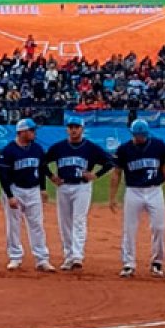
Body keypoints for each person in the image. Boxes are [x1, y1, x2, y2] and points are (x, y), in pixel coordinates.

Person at [45, 116, 114, 270]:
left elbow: (110, 162)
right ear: (67, 129)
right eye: (71, 127)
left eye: (77, 127)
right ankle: (68, 256)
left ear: (82, 129)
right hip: (63, 187)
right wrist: (51, 176)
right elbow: (42, 163)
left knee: (78, 220)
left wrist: (96, 175)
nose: (74, 130)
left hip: (82, 187)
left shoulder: (90, 147)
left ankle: (77, 255)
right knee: (65, 223)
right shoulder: (58, 147)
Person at [109, 119, 165, 278]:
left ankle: (157, 262)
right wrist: (112, 197)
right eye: (138, 135)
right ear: (132, 134)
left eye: (143, 135)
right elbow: (116, 173)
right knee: (129, 229)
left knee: (159, 227)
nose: (141, 138)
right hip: (133, 191)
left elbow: (164, 166)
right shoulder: (124, 149)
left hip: (155, 190)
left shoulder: (158, 145)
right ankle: (128, 264)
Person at [0, 118, 55, 272]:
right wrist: (9, 196)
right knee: (14, 225)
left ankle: (42, 259)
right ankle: (15, 257)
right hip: (15, 189)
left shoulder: (37, 148)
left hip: (33, 190)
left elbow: (42, 169)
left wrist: (43, 188)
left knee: (37, 224)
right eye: (31, 130)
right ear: (22, 132)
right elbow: (3, 175)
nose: (34, 133)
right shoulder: (9, 150)